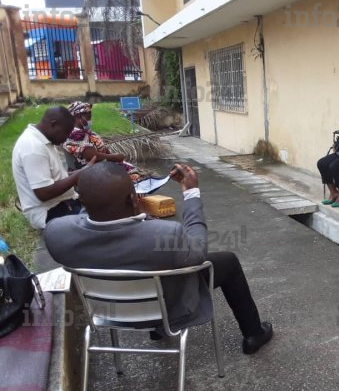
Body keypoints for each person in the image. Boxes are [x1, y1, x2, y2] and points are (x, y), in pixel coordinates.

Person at [44, 161, 273, 354]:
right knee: (228, 261)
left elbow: (96, 222)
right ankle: (254, 334)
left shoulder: (57, 234)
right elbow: (198, 250)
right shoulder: (164, 235)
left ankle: (156, 333)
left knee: (147, 264)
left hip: (107, 312)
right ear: (133, 199)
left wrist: (129, 209)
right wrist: (191, 193)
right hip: (169, 309)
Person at [11, 106, 92, 229]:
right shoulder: (33, 147)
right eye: (66, 133)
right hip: (50, 213)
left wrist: (82, 172)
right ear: (53, 124)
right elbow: (43, 193)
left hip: (63, 203)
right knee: (100, 228)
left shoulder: (45, 140)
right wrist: (77, 176)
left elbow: (55, 178)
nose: (66, 138)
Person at [63, 101, 141, 181]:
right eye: (88, 117)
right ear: (79, 116)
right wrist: (115, 157)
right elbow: (92, 156)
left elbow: (101, 149)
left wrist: (111, 155)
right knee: (131, 175)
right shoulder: (75, 135)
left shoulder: (86, 132)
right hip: (93, 171)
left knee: (132, 172)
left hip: (101, 166)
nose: (90, 120)